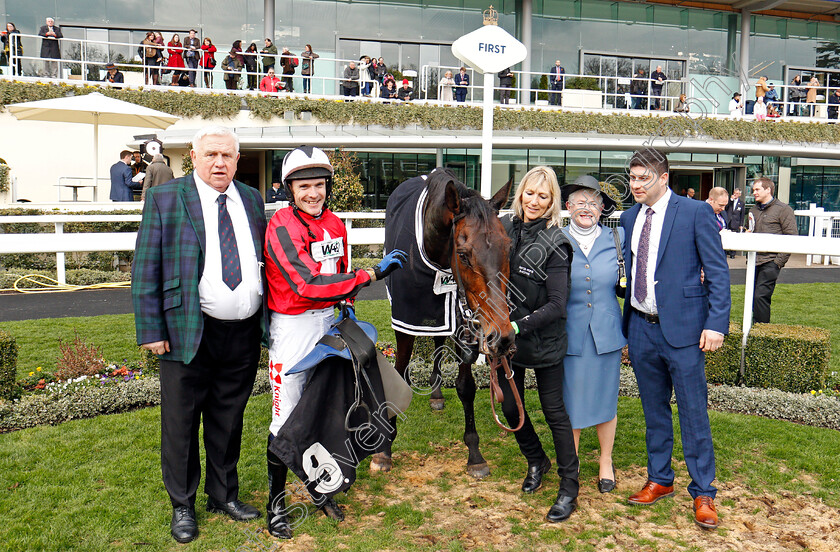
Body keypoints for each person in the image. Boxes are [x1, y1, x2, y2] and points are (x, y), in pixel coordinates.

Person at [132, 126, 268, 544]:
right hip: (185, 330)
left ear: (237, 159)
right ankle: (182, 505)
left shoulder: (251, 199)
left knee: (229, 420)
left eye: (227, 156)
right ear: (193, 156)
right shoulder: (166, 199)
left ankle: (223, 495)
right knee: (181, 423)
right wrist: (151, 329)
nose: (219, 163)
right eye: (210, 155)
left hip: (242, 333)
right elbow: (145, 268)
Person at [262, 145, 405, 540]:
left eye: (319, 185)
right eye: (304, 186)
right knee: (286, 414)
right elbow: (306, 283)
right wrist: (371, 274)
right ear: (290, 189)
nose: (313, 193)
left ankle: (319, 488)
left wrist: (349, 302)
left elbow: (338, 277)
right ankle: (276, 504)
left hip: (331, 322)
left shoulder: (337, 225)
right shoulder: (280, 227)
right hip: (293, 327)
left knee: (327, 405)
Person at [620, 147, 730, 530]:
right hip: (641, 328)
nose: (634, 185)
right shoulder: (629, 216)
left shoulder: (696, 212)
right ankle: (660, 479)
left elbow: (717, 271)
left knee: (693, 413)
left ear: (663, 177)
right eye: (631, 178)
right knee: (654, 412)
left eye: (642, 178)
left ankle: (703, 491)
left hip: (684, 331)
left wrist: (716, 324)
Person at [498, 166, 579, 523]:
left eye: (543, 196)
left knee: (554, 413)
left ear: (552, 203)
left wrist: (516, 325)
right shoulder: (503, 226)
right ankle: (536, 460)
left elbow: (558, 304)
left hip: (543, 340)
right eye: (530, 193)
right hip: (506, 341)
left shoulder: (557, 243)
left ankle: (569, 487)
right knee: (512, 409)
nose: (534, 201)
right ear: (520, 194)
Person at [559, 175, 626, 495]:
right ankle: (570, 466)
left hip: (606, 334)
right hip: (569, 334)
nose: (587, 208)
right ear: (569, 207)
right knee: (570, 403)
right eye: (580, 202)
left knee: (605, 400)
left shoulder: (618, 238)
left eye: (594, 203)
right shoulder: (555, 238)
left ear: (602, 209)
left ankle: (605, 461)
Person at [747, 178, 797, 324]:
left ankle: (761, 332)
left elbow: (792, 236)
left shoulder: (784, 210)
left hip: (771, 262)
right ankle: (754, 329)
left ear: (768, 190)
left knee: (760, 297)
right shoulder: (753, 210)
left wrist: (778, 262)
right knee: (752, 297)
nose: (753, 192)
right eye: (753, 189)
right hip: (753, 261)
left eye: (757, 189)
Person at [725, 188, 745, 258]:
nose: (735, 195)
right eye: (734, 193)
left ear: (739, 194)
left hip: (735, 222)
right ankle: (726, 251)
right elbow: (726, 208)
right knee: (727, 236)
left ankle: (732, 254)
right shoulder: (730, 201)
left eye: (737, 193)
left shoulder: (741, 203)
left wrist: (741, 224)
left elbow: (742, 215)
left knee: (734, 238)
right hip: (728, 221)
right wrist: (731, 200)